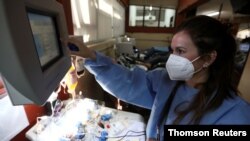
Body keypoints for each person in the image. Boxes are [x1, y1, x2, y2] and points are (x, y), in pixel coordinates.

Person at [67, 16, 250, 141]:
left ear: (209, 58)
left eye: (181, 51)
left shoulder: (235, 115)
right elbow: (128, 83)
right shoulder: (166, 82)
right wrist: (91, 56)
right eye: (172, 51)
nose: (172, 58)